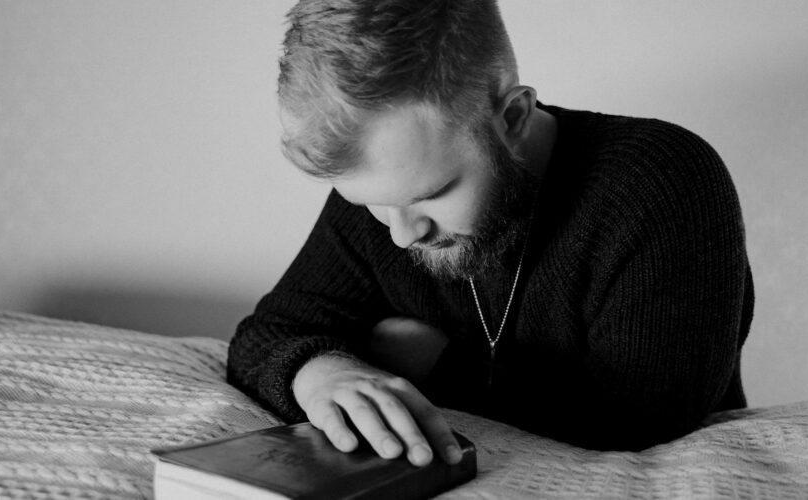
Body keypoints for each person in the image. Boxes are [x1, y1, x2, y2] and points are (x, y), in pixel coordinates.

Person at [228, 0, 754, 468]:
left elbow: (642, 420)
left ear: (514, 116)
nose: (401, 234)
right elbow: (266, 332)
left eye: (430, 193)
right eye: (370, 203)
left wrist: (438, 364)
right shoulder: (389, 193)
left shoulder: (661, 181)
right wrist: (322, 372)